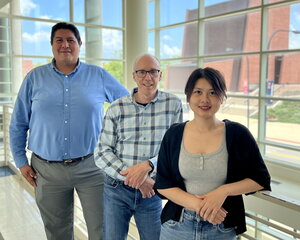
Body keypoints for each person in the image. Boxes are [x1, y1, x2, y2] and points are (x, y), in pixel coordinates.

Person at [9, 22, 129, 240]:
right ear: (52, 45)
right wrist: (20, 161)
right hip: (46, 171)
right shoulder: (34, 78)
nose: (65, 45)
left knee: (102, 230)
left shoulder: (98, 76)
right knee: (57, 232)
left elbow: (128, 108)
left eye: (70, 40)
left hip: (93, 168)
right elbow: (18, 122)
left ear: (79, 44)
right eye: (59, 40)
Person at [154, 67, 271, 240]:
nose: (205, 99)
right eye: (198, 92)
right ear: (188, 97)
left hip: (221, 227)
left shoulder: (238, 134)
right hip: (177, 226)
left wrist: (223, 191)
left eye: (213, 92)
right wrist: (201, 206)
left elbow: (260, 179)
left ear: (222, 97)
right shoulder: (174, 134)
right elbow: (163, 184)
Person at [94, 53, 183, 240]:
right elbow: (102, 152)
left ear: (160, 75)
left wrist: (148, 167)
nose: (147, 77)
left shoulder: (173, 105)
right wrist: (136, 178)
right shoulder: (116, 108)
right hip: (116, 189)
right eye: (141, 72)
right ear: (133, 76)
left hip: (151, 192)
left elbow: (175, 150)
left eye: (152, 71)